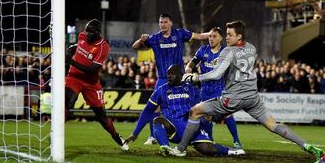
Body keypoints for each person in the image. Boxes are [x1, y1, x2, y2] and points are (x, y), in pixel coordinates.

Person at [167, 20, 325, 162]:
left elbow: (215, 74)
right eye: (226, 34)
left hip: (233, 98)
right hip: (252, 97)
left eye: (230, 34)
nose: (227, 37)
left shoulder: (227, 51)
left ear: (239, 37)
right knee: (273, 125)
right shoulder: (251, 48)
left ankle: (180, 149)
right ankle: (312, 149)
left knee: (195, 111)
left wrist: (194, 78)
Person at [124, 65, 245, 157]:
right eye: (168, 74)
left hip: (191, 128)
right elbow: (147, 111)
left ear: (180, 75)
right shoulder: (161, 90)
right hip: (173, 129)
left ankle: (231, 151)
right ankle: (165, 147)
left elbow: (202, 112)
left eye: (172, 74)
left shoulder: (192, 89)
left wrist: (207, 125)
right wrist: (135, 133)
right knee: (157, 120)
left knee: (208, 149)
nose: (169, 76)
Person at [132, 13, 209, 145]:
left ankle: (192, 132)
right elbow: (135, 47)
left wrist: (212, 34)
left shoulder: (179, 34)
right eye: (161, 22)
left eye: (165, 22)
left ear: (171, 23)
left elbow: (199, 36)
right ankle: (153, 136)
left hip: (180, 79)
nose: (163, 24)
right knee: (155, 108)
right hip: (162, 78)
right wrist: (141, 40)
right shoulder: (155, 38)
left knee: (188, 105)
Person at [65, 19, 129, 151]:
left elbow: (92, 70)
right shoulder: (82, 35)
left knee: (102, 117)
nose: (87, 34)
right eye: (86, 30)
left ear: (98, 33)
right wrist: (71, 50)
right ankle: (56, 134)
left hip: (91, 83)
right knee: (68, 102)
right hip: (74, 77)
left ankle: (118, 138)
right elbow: (79, 48)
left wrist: (70, 61)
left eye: (91, 32)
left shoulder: (103, 47)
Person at [185, 27, 243, 150]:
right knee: (206, 116)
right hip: (205, 91)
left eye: (214, 36)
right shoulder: (203, 50)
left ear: (221, 38)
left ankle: (236, 140)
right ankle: (209, 139)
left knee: (227, 114)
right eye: (210, 36)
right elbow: (192, 63)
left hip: (220, 90)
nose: (211, 39)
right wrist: (188, 69)